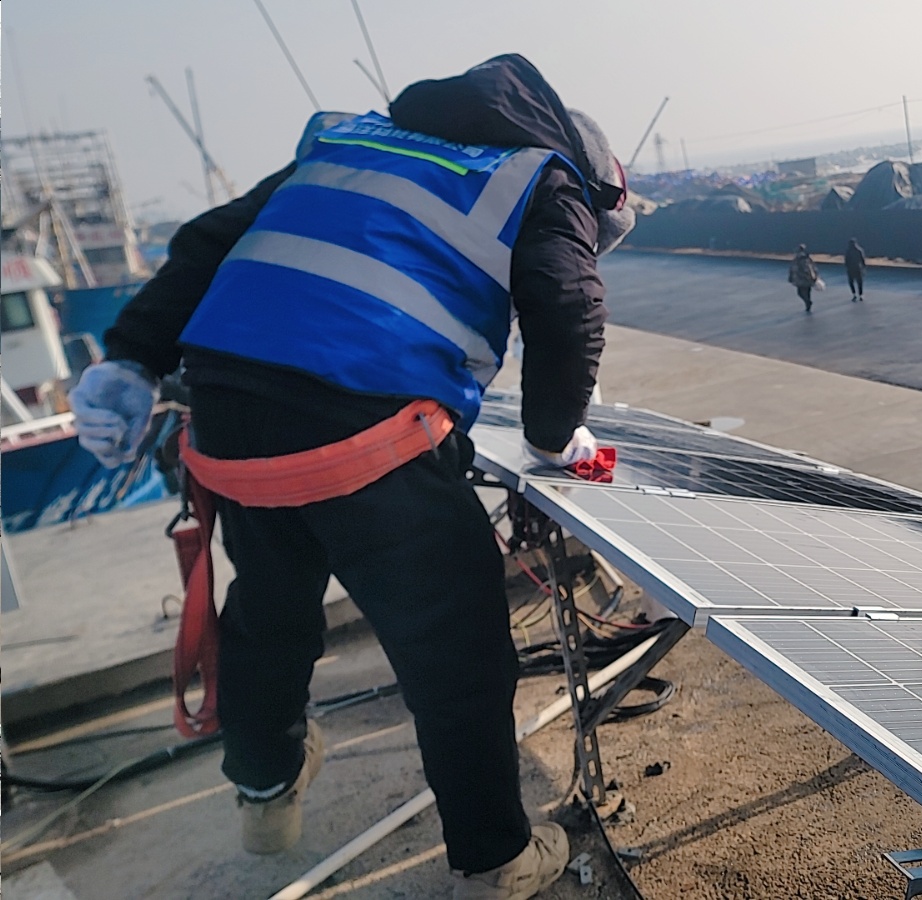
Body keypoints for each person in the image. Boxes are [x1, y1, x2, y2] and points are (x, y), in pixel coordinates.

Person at [67, 55, 634, 900]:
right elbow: (567, 299)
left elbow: (212, 242)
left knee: (270, 607)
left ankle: (264, 790)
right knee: (456, 648)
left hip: (227, 420)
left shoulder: (346, 140)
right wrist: (557, 437)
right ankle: (496, 858)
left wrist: (132, 358)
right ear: (589, 177)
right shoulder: (540, 177)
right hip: (364, 430)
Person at [787, 243, 819, 312]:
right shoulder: (807, 258)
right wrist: (815, 276)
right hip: (807, 278)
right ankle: (808, 304)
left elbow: (793, 268)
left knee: (800, 293)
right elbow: (813, 267)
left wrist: (791, 277)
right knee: (807, 292)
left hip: (801, 279)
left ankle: (807, 302)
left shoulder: (798, 259)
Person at [844, 237, 867, 302]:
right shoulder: (859, 250)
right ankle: (860, 295)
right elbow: (862, 260)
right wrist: (864, 268)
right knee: (859, 282)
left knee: (852, 282)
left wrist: (847, 267)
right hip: (858, 268)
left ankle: (855, 294)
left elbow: (846, 261)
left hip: (852, 269)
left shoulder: (848, 251)